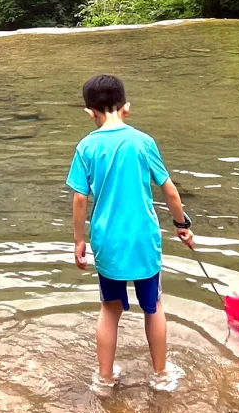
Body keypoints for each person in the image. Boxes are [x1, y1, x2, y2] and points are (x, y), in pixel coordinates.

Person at [67, 73, 194, 393]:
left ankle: (105, 380)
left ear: (90, 113)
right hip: (143, 241)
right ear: (127, 108)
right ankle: (161, 376)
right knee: (154, 307)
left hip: (108, 242)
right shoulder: (143, 142)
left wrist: (79, 240)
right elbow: (171, 193)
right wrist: (182, 226)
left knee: (110, 310)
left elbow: (80, 199)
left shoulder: (86, 147)